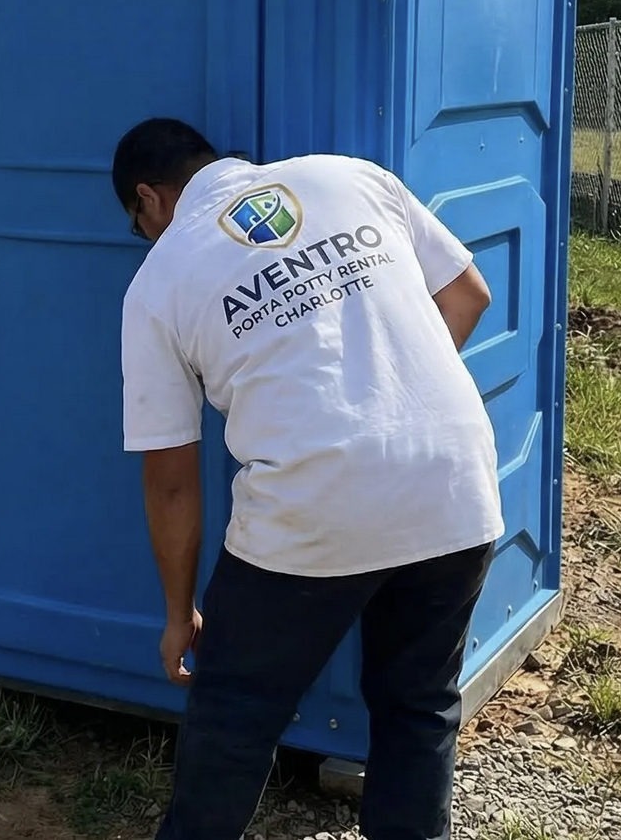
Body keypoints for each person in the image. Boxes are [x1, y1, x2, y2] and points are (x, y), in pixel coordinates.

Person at [112, 118, 501, 840]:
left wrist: (178, 614)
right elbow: (468, 295)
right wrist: (390, 403)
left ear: (149, 199)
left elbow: (171, 481)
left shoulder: (158, 282)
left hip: (310, 509)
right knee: (418, 708)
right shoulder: (349, 176)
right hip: (455, 484)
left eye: (141, 227)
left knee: (234, 716)